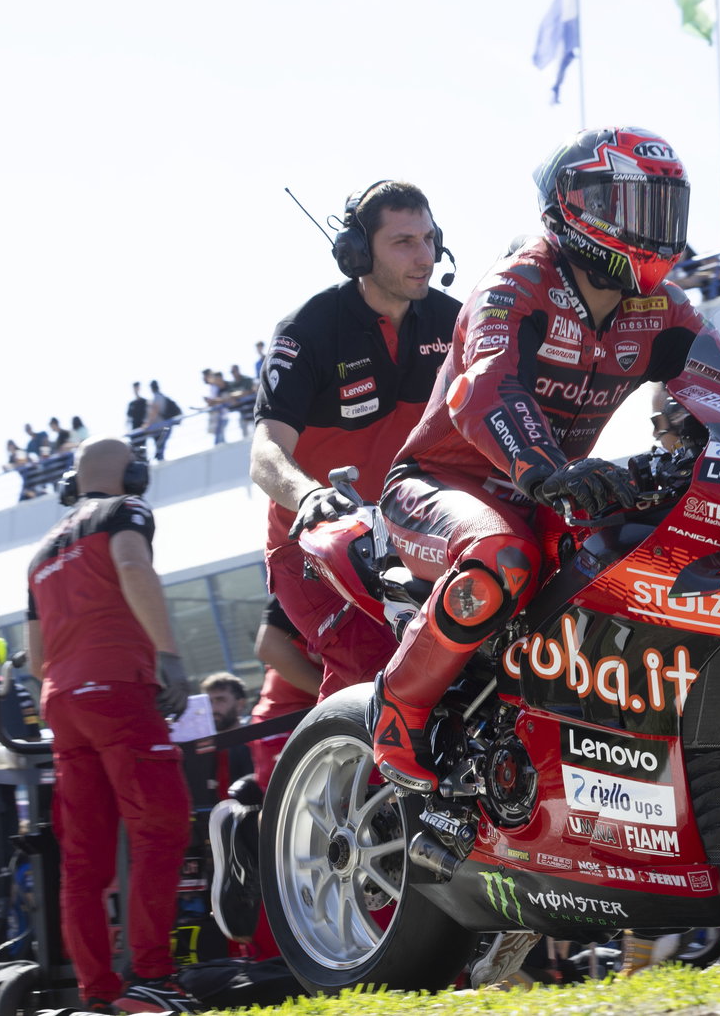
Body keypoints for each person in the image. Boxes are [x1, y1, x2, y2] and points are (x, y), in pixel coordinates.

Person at [368, 126, 710, 792]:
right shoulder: (517, 282)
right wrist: (544, 469)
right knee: (505, 558)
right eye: (638, 208)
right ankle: (399, 706)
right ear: (579, 207)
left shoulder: (662, 306)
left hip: (546, 491)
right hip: (441, 483)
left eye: (665, 209)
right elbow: (485, 387)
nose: (655, 230)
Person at [250, 180, 461, 700]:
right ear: (358, 253)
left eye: (430, 239)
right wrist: (310, 497)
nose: (425, 256)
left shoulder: (458, 321)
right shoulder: (308, 330)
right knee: (378, 672)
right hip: (316, 546)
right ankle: (351, 776)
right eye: (404, 242)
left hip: (414, 533)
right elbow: (264, 452)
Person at [25, 437, 197, 1013]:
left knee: (83, 860)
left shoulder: (41, 550)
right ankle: (152, 979)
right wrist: (167, 654)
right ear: (132, 471)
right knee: (161, 828)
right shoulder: (126, 511)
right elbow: (129, 562)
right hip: (118, 688)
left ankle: (96, 994)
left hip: (62, 702)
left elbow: (31, 657)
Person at [209, 598, 320, 945]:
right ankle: (246, 833)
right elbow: (268, 645)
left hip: (337, 713)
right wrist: (339, 695)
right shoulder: (312, 562)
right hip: (285, 718)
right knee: (307, 838)